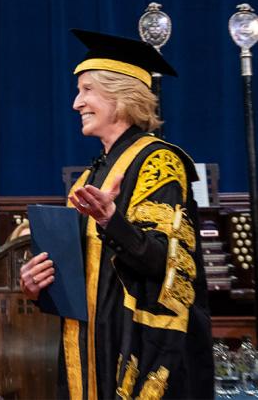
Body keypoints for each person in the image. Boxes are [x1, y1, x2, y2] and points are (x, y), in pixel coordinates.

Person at [20, 29, 213, 399]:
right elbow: (81, 270)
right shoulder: (93, 175)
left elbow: (167, 264)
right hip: (93, 347)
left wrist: (113, 222)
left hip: (137, 348)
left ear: (122, 96)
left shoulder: (159, 162)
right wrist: (36, 281)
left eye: (87, 89)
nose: (77, 103)